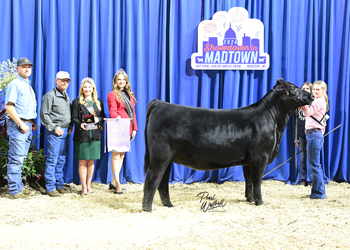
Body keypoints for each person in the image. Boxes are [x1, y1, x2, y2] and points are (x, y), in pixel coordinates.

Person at [5, 57, 37, 199]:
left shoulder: (27, 85)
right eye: (23, 67)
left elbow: (24, 106)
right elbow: (9, 106)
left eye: (29, 67)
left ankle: (18, 188)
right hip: (19, 126)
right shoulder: (15, 84)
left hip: (27, 124)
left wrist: (31, 122)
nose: (27, 69)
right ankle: (14, 191)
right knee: (16, 159)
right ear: (17, 69)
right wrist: (21, 123)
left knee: (21, 158)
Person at [40, 71, 73, 197]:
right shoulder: (50, 96)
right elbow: (45, 115)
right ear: (56, 80)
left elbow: (66, 113)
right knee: (52, 159)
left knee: (61, 159)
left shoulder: (66, 96)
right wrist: (54, 128)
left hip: (64, 131)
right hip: (55, 132)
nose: (65, 82)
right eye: (62, 80)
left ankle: (59, 185)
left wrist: (69, 126)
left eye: (67, 81)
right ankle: (50, 187)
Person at [71, 77, 105, 195]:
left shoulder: (98, 102)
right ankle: (83, 187)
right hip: (82, 134)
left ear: (93, 88)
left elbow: (103, 117)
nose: (87, 89)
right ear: (82, 89)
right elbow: (73, 118)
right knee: (82, 162)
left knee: (91, 162)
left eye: (89, 87)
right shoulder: (77, 102)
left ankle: (89, 185)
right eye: (85, 87)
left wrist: (98, 119)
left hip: (94, 135)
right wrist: (81, 124)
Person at [107, 69, 137, 194]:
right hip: (118, 127)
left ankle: (114, 182)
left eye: (123, 79)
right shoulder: (112, 94)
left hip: (128, 127)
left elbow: (133, 113)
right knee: (116, 155)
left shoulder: (129, 95)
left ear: (126, 81)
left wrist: (134, 128)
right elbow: (112, 111)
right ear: (115, 81)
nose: (121, 81)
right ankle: (118, 183)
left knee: (122, 155)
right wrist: (116, 118)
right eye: (119, 79)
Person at [301, 80, 329, 199]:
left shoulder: (318, 101)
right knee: (315, 164)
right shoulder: (320, 101)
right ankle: (317, 190)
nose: (315, 91)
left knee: (314, 165)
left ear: (323, 91)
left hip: (313, 135)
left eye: (318, 89)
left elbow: (308, 113)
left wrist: (302, 104)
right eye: (314, 89)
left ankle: (319, 193)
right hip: (315, 134)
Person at [293, 82, 313, 186]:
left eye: (307, 88)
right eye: (303, 88)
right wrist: (295, 136)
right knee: (302, 159)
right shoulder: (298, 105)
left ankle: (313, 180)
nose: (305, 90)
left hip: (312, 133)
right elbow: (294, 122)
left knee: (313, 158)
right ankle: (302, 180)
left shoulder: (314, 103)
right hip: (301, 134)